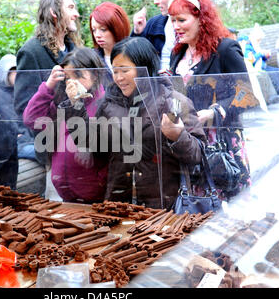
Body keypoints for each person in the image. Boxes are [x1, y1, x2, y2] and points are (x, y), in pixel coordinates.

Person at [63, 37, 206, 210]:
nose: (119, 78)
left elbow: (198, 155)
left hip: (163, 207)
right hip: (120, 205)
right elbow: (91, 145)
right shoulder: (108, 104)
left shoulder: (174, 102)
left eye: (125, 70)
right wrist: (75, 107)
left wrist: (178, 136)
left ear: (145, 68)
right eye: (115, 71)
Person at [168, 0, 251, 198]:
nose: (175, 26)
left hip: (222, 145)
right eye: (172, 21)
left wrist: (214, 112)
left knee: (229, 210)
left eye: (181, 20)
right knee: (198, 207)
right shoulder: (177, 54)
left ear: (201, 19)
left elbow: (247, 95)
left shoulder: (225, 49)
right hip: (192, 143)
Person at [23, 47, 109, 203]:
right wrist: (49, 85)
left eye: (78, 75)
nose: (72, 82)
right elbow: (31, 118)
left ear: (95, 75)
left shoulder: (104, 104)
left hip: (94, 192)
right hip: (64, 191)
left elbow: (100, 143)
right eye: (68, 77)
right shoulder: (63, 102)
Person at [14, 0, 82, 166]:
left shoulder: (73, 49)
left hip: (82, 137)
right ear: (54, 12)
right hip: (53, 146)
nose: (77, 14)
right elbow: (24, 107)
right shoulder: (31, 52)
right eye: (71, 8)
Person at [0, 54, 36, 162]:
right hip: (14, 146)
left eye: (20, 71)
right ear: (5, 73)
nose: (18, 75)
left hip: (34, 140)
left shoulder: (24, 91)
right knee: (49, 154)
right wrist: (12, 136)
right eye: (14, 71)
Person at [131, 0, 188, 73]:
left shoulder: (200, 28)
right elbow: (133, 58)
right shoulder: (154, 24)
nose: (155, 1)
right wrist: (138, 32)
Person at [89, 2, 130, 71]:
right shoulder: (90, 59)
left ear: (118, 28)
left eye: (103, 29)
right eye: (94, 30)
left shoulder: (134, 55)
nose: (97, 35)